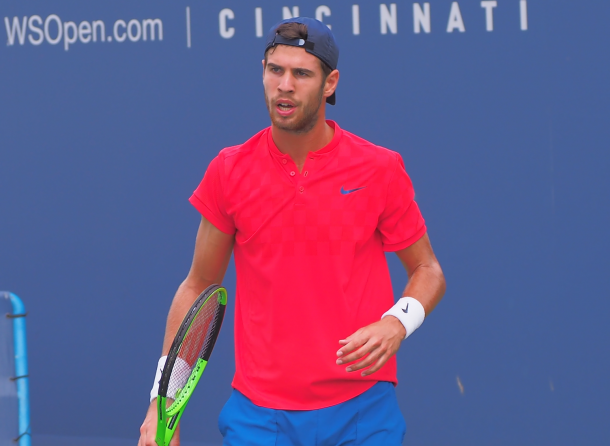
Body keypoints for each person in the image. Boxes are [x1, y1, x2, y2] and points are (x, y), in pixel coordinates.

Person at [138, 17, 445, 446]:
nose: (284, 84)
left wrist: (396, 323)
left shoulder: (379, 169)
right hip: (260, 417)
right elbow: (198, 287)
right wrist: (162, 404)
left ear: (330, 83)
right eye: (274, 69)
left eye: (301, 73)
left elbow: (428, 270)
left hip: (363, 409)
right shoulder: (229, 171)